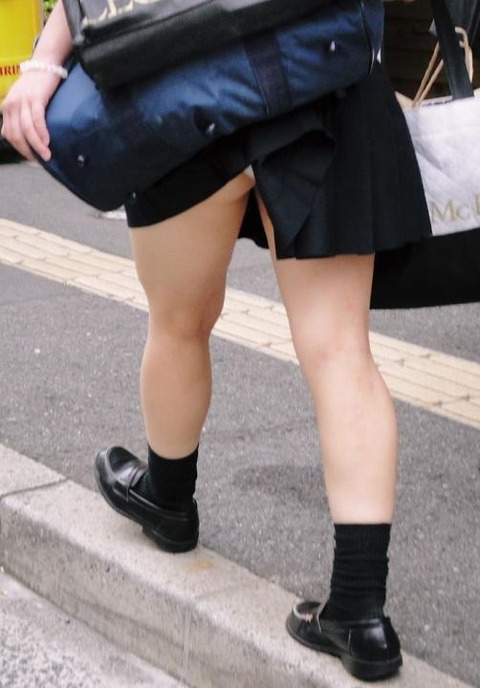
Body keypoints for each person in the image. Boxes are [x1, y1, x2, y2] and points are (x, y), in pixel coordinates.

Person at [2, 0, 429, 681]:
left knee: (179, 320)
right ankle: (359, 612)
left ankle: (168, 499)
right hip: (323, 70)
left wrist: (46, 63)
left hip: (184, 77)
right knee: (340, 352)